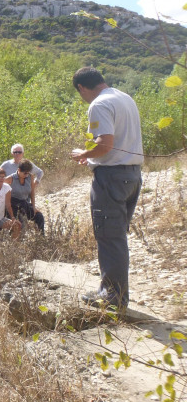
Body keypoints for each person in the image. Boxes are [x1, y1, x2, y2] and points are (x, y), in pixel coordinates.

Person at [71, 66, 142, 309]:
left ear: (82, 88)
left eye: (80, 93)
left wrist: (84, 153)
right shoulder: (125, 98)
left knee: (109, 236)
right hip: (132, 175)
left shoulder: (99, 104)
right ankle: (115, 291)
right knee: (117, 235)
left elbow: (104, 145)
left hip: (111, 177)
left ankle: (113, 297)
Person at [5, 160, 45, 234]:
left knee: (39, 216)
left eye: (28, 172)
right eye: (25, 173)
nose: (26, 175)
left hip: (24, 203)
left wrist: (33, 207)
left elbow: (32, 192)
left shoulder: (30, 177)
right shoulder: (11, 178)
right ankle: (18, 242)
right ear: (19, 170)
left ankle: (41, 238)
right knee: (21, 223)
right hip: (13, 205)